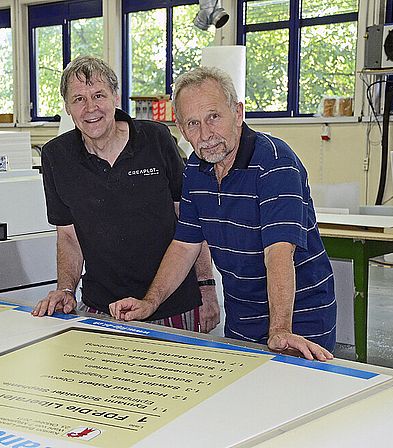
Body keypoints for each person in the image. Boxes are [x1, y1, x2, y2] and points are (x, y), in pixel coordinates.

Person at [109, 66, 337, 361]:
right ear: (180, 128)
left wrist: (280, 328)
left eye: (213, 117)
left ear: (238, 113)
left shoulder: (275, 163)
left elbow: (278, 253)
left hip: (299, 317)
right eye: (193, 123)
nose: (206, 134)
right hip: (242, 315)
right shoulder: (195, 168)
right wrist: (150, 302)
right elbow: (184, 245)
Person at [31, 55, 220, 332]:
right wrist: (66, 290)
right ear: (68, 109)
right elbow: (69, 237)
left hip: (174, 305)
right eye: (79, 99)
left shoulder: (156, 140)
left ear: (115, 98)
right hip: (101, 308)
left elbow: (190, 222)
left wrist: (206, 286)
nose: (90, 108)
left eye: (98, 95)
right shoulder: (56, 157)